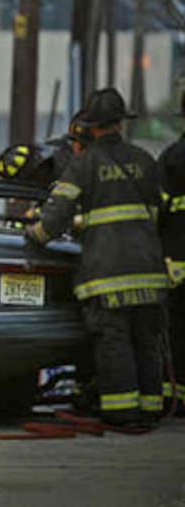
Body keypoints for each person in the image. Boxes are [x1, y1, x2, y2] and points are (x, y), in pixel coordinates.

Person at [26, 88, 168, 428]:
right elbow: (156, 212)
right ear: (120, 123)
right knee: (147, 342)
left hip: (107, 276)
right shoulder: (145, 160)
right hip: (149, 272)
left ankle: (123, 414)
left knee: (114, 343)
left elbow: (54, 219)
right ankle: (151, 409)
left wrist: (34, 235)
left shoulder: (83, 165)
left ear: (90, 127)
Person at [156, 90, 185, 415]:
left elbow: (157, 210)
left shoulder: (174, 158)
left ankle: (175, 399)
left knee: (176, 330)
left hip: (177, 261)